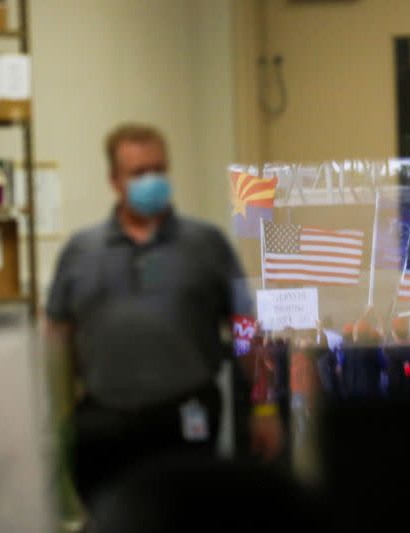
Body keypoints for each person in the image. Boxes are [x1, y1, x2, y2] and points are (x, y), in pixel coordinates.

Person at [44, 124, 283, 506]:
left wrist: (265, 406)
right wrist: (56, 418)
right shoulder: (81, 251)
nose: (151, 180)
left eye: (159, 169)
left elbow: (247, 331)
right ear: (114, 180)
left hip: (185, 417)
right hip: (104, 421)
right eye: (138, 173)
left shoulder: (206, 244)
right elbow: (57, 336)